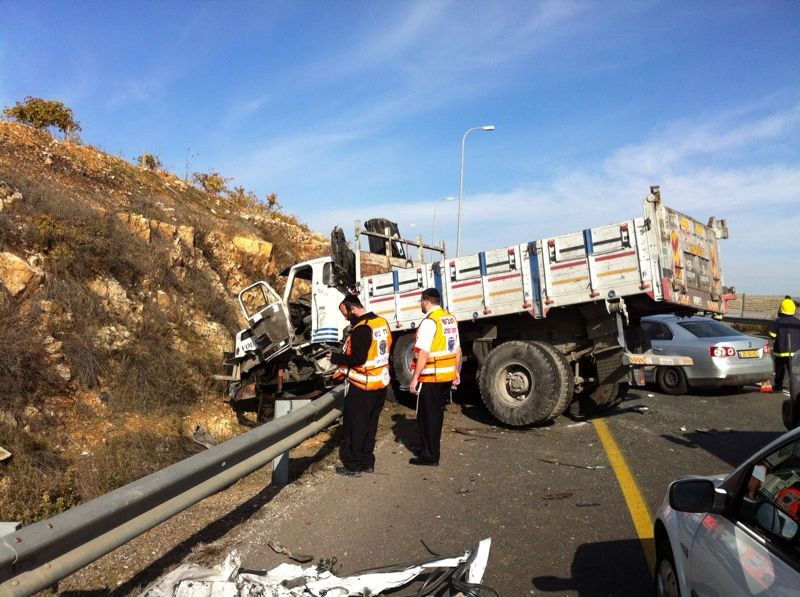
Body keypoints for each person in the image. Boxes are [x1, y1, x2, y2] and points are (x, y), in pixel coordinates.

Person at [328, 294, 392, 477]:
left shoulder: (361, 329)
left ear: (352, 308)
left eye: (346, 314)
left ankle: (353, 465)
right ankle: (367, 462)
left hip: (362, 386)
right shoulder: (381, 323)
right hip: (379, 384)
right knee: (370, 426)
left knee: (355, 427)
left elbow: (358, 359)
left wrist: (335, 357)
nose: (345, 318)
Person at [407, 288, 461, 466]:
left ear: (425, 301)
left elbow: (423, 353)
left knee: (426, 416)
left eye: (421, 302)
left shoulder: (430, 322)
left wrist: (415, 378)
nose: (421, 305)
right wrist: (456, 371)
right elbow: (457, 349)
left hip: (431, 377)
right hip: (446, 376)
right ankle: (431, 451)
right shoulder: (449, 319)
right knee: (436, 416)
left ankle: (429, 455)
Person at [769, 296, 800, 394]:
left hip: (780, 351)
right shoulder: (798, 322)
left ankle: (778, 387)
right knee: (793, 372)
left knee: (779, 371)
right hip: (794, 352)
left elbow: (772, 335)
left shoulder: (778, 321)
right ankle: (795, 388)